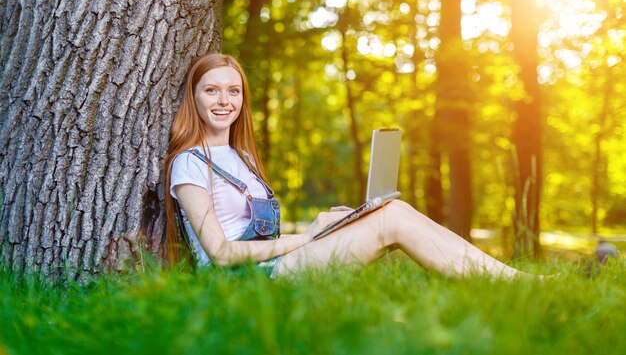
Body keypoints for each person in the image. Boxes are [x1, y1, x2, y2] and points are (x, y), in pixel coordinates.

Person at [164, 53, 528, 279]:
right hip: (246, 282)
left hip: (275, 266)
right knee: (393, 219)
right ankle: (514, 284)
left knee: (391, 208)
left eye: (234, 91)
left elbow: (262, 237)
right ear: (193, 97)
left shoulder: (242, 159)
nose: (224, 100)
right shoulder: (188, 164)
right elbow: (222, 253)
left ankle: (502, 279)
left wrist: (327, 227)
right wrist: (306, 238)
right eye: (211, 90)